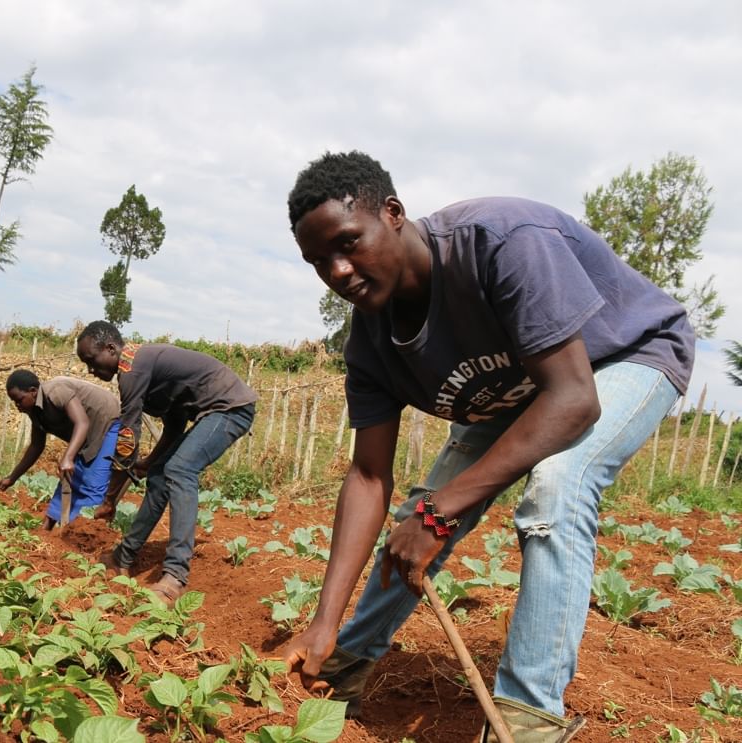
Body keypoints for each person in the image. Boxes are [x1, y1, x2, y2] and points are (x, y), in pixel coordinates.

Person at [279, 151, 695, 741]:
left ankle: (528, 717)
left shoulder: (500, 242)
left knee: (556, 489)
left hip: (618, 355)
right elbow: (369, 476)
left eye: (348, 243)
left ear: (393, 214)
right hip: (523, 385)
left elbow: (574, 399)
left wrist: (440, 510)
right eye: (319, 261)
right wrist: (324, 621)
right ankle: (344, 657)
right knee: (418, 515)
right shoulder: (370, 342)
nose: (339, 271)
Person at [76, 320, 258, 605]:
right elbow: (174, 425)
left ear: (111, 348)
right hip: (212, 412)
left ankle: (175, 576)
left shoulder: (131, 369)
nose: (90, 369)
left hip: (230, 408)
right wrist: (150, 462)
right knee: (161, 476)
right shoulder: (146, 370)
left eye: (91, 360)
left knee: (180, 469)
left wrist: (110, 498)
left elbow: (127, 437)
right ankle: (123, 557)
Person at [0, 369, 121, 529]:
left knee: (93, 481)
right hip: (86, 433)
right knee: (69, 476)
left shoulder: (56, 391)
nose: (17, 406)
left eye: (19, 400)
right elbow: (36, 446)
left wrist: (68, 457)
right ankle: (46, 530)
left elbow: (82, 423)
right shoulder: (35, 411)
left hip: (107, 420)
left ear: (33, 392)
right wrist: (12, 478)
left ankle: (87, 532)